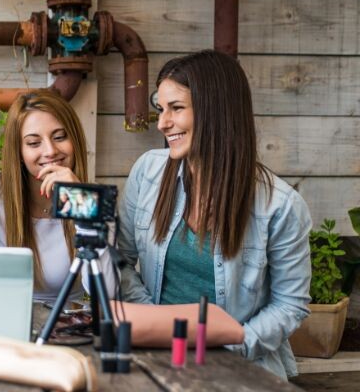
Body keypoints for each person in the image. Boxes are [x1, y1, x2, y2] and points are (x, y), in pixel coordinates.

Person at [117, 50, 312, 380]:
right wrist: (158, 326)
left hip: (241, 366)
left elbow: (290, 305)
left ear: (216, 111)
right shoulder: (148, 171)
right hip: (156, 356)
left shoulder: (280, 206)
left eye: (176, 108)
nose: (163, 122)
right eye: (161, 109)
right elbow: (119, 260)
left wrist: (227, 346)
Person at [0, 91, 115, 302]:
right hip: (2, 317)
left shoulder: (94, 198)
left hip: (65, 326)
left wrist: (81, 205)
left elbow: (105, 293)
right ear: (19, 151)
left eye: (59, 137)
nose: (50, 151)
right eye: (34, 143)